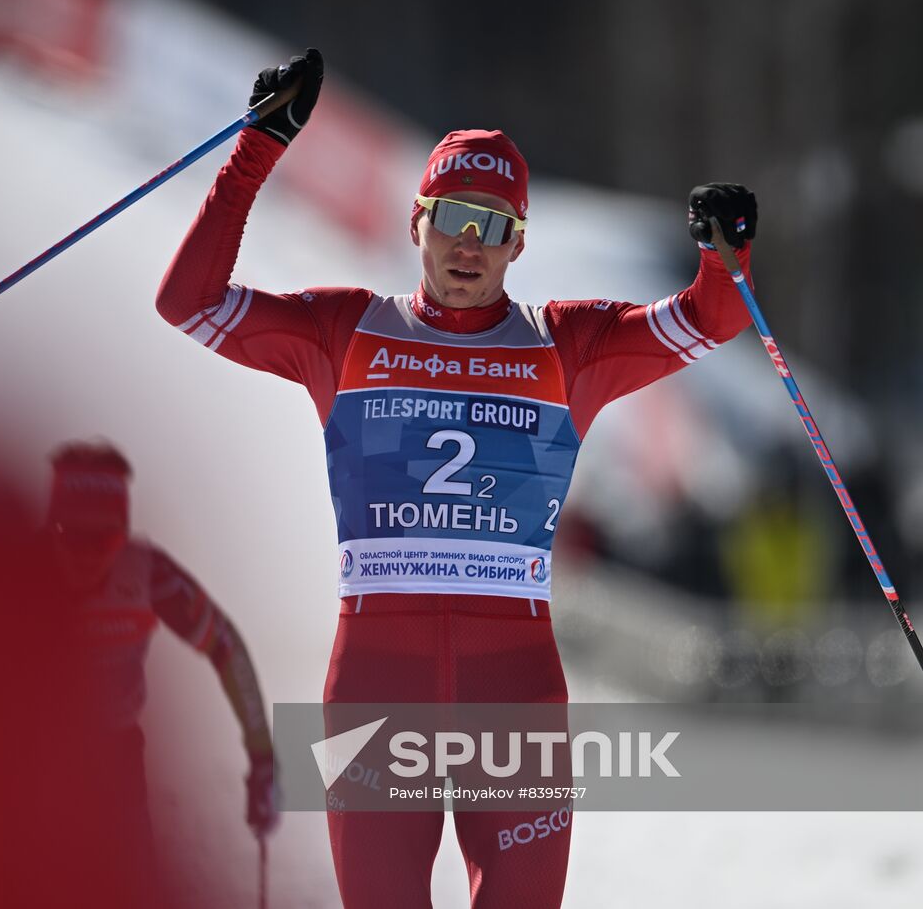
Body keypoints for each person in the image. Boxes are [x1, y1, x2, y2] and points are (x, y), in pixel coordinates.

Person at [155, 48, 758, 908]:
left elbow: (712, 317)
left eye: (492, 223)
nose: (469, 243)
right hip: (375, 680)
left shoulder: (568, 348)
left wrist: (726, 254)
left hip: (511, 687)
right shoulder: (344, 333)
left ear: (518, 242)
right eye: (451, 217)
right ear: (416, 222)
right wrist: (257, 149)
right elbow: (190, 302)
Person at [45, 440, 278, 899]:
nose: (88, 556)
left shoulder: (147, 573)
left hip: (115, 756)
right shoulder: (14, 573)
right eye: (73, 536)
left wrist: (262, 758)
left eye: (105, 540)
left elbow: (227, 648)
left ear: (125, 533)